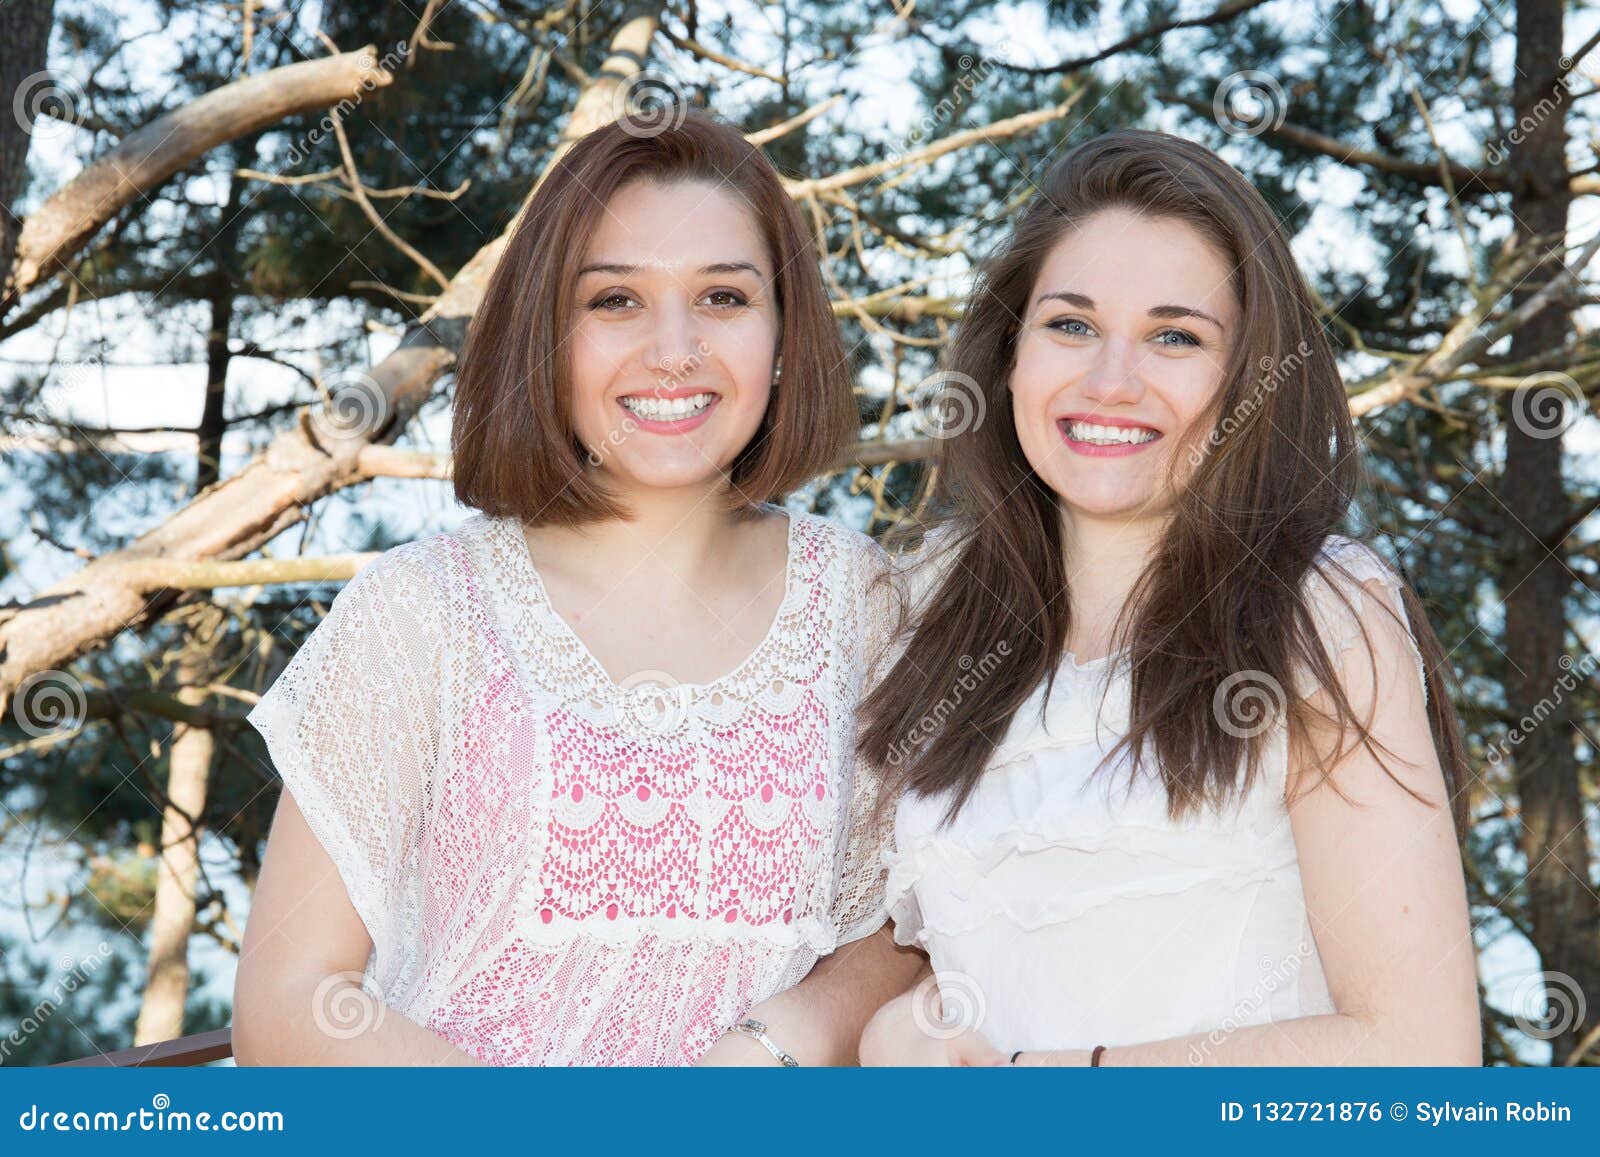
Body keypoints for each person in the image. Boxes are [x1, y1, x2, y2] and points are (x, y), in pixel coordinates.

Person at [234, 110, 921, 1066]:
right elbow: (288, 1004)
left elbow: (913, 925)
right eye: (614, 301)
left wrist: (778, 1042)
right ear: (544, 334)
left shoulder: (868, 603)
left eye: (723, 297)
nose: (674, 349)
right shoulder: (423, 608)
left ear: (783, 331)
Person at [855, 129, 1481, 1066]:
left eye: (1175, 336)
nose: (1111, 381)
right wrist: (899, 1030)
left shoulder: (1320, 612)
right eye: (1070, 324)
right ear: (1009, 355)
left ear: (1246, 383)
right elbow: (948, 957)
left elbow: (1419, 1051)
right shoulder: (926, 604)